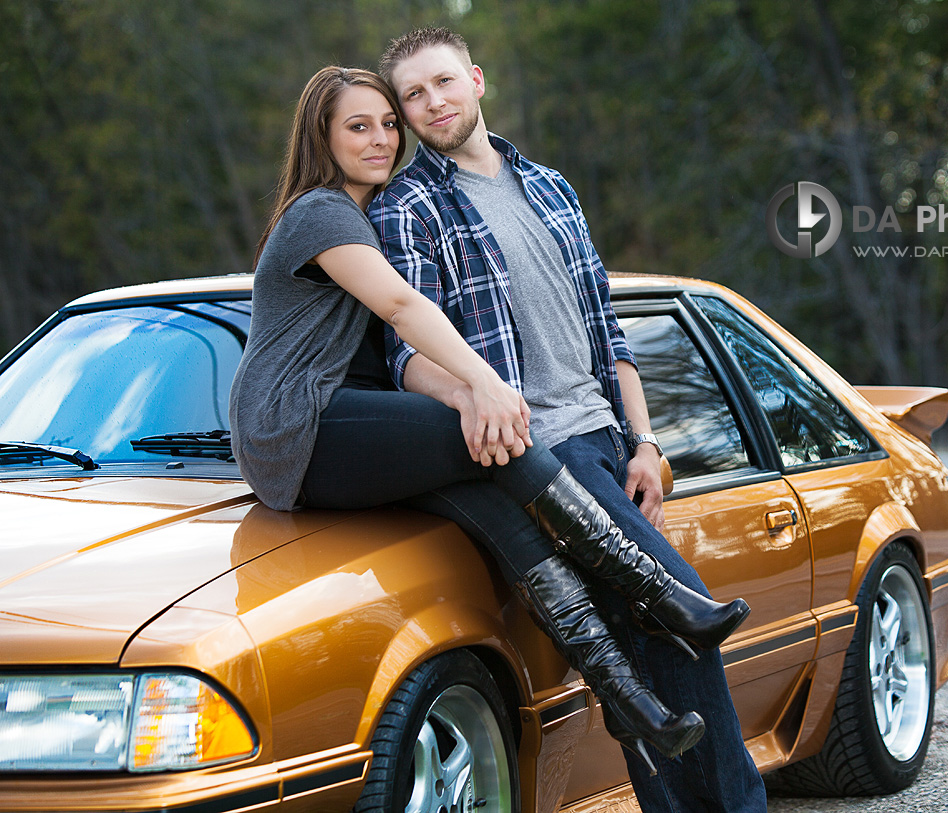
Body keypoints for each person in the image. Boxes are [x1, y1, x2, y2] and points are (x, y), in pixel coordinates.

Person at [227, 66, 750, 778]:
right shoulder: (322, 211)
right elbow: (404, 310)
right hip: (296, 424)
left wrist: (475, 396)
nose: (381, 138)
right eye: (359, 126)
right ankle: (660, 591)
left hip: (346, 425)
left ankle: (627, 699)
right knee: (497, 439)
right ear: (320, 136)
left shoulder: (370, 214)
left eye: (388, 122)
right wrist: (484, 385)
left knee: (500, 515)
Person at [369, 28, 769, 812]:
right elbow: (402, 353)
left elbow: (607, 332)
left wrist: (646, 441)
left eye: (443, 83)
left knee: (642, 646)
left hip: (608, 440)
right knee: (674, 617)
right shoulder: (406, 207)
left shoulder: (551, 187)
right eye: (413, 96)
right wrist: (475, 393)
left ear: (477, 81)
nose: (432, 104)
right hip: (537, 452)